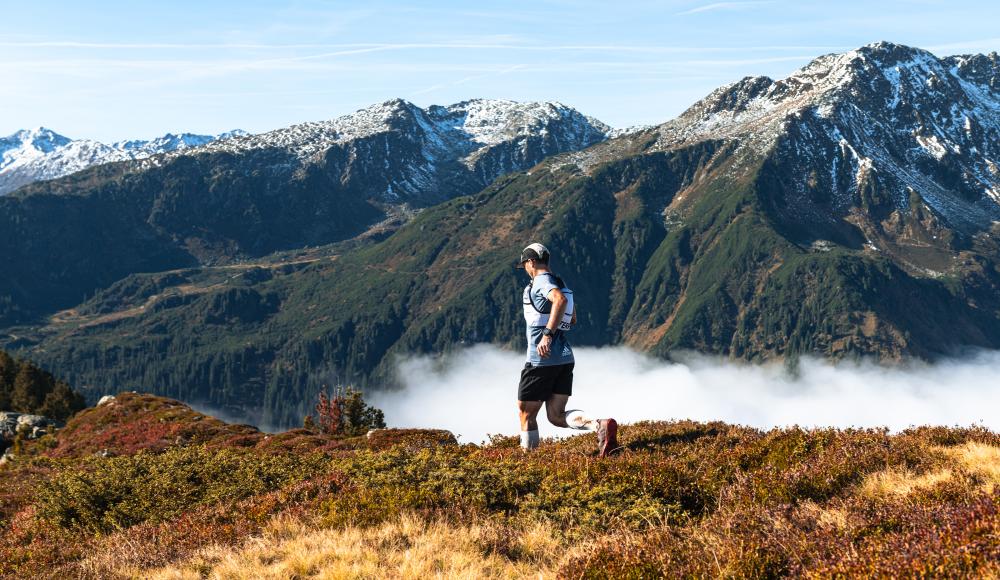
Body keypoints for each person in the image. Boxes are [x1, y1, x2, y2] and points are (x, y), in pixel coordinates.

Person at [515, 242, 619, 457]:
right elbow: (571, 319)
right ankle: (599, 424)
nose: (525, 268)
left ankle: (527, 461)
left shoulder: (541, 282)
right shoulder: (560, 282)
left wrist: (546, 335)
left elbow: (559, 301)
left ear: (531, 262)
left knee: (526, 413)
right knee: (556, 415)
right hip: (563, 358)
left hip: (541, 359)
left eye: (524, 264)